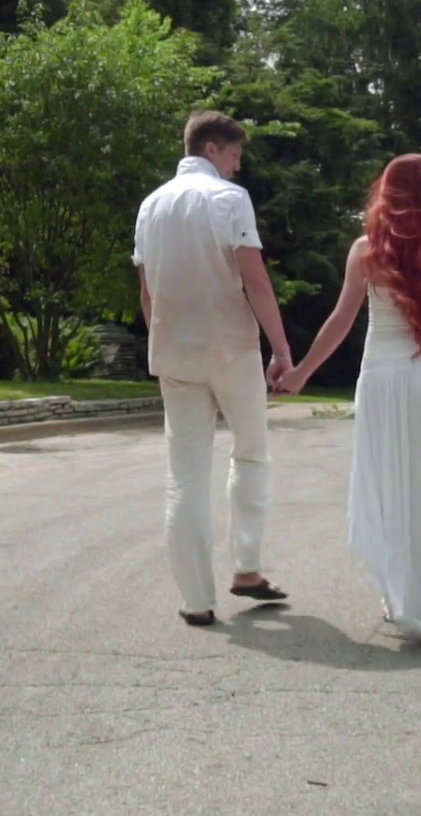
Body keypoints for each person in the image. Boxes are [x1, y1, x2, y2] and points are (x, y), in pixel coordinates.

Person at [278, 154, 421, 649]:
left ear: (386, 193)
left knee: (393, 487)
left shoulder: (366, 250)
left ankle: (403, 595)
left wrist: (301, 373)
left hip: (382, 380)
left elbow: (340, 321)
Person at [133, 110, 294, 628]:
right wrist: (282, 349)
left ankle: (196, 599)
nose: (237, 165)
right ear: (210, 150)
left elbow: (146, 292)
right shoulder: (228, 200)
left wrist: (162, 337)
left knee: (185, 474)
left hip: (174, 354)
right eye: (233, 154)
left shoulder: (150, 206)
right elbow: (256, 280)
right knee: (250, 453)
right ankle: (246, 567)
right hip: (231, 347)